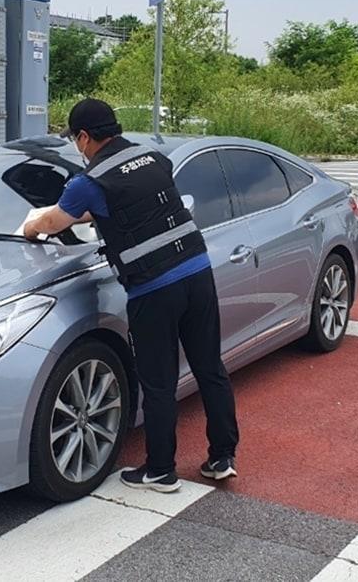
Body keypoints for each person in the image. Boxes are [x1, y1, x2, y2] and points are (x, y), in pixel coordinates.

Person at [23, 98, 239, 493]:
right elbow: (134, 203)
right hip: (197, 272)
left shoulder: (88, 183)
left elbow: (55, 221)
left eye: (76, 139)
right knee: (210, 367)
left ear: (85, 137)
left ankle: (160, 471)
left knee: (158, 382)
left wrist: (31, 228)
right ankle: (222, 456)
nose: (78, 146)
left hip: (154, 289)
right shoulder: (154, 158)